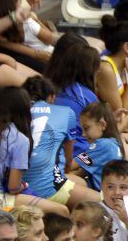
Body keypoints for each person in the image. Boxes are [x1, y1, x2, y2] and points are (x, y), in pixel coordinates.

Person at [0, 86, 62, 214]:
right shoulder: (19, 139)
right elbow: (13, 187)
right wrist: (23, 186)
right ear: (23, 109)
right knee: (60, 210)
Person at [24, 75, 102, 209]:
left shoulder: (16, 113)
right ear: (52, 97)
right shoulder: (66, 112)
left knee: (81, 183)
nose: (84, 133)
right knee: (103, 204)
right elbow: (68, 161)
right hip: (47, 186)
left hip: (19, 185)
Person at [47, 34, 102, 155]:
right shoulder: (84, 95)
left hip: (56, 156)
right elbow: (102, 136)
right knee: (115, 149)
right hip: (80, 155)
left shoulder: (46, 86)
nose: (99, 71)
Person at [71, 101, 128, 191]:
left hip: (101, 198)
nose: (83, 134)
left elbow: (70, 165)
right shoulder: (112, 143)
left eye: (86, 128)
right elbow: (81, 172)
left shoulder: (102, 145)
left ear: (102, 124)